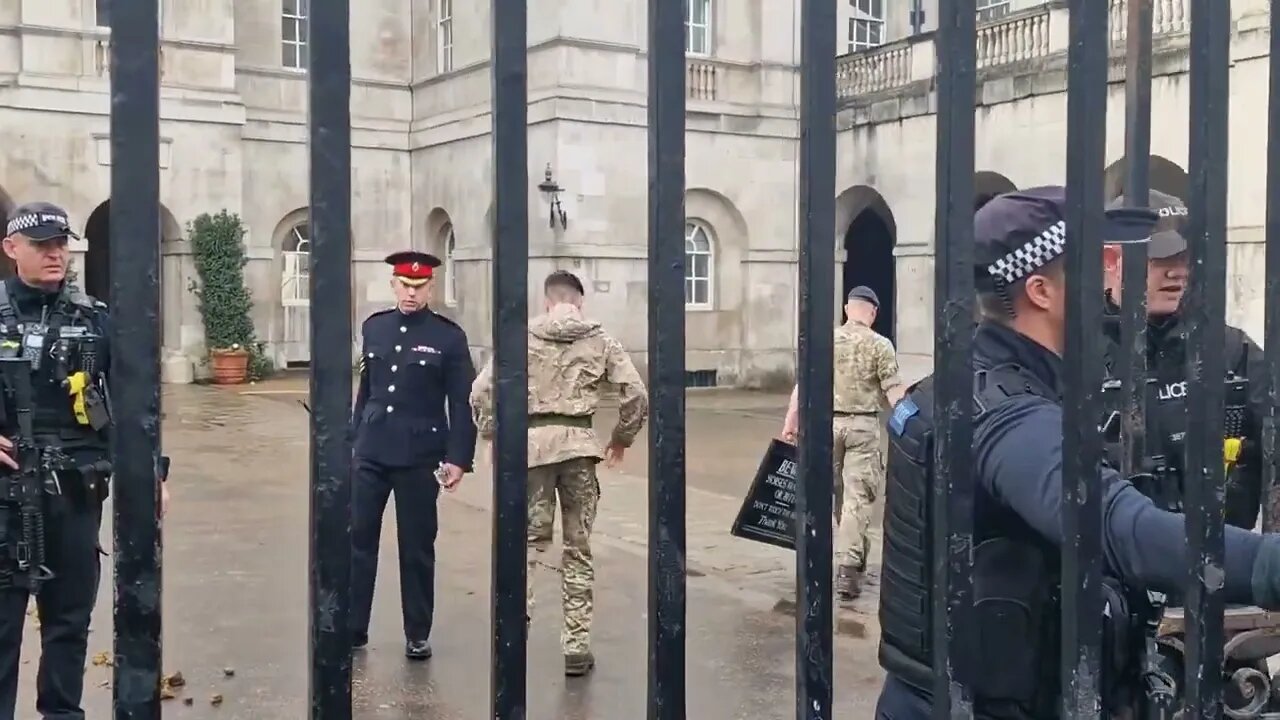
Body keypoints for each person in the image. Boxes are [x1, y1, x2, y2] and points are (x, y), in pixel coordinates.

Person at [874, 186, 1280, 719]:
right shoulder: (1009, 416)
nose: (1117, 273)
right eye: (1102, 259)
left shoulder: (965, 377)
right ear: (1041, 291)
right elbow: (1120, 530)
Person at [0, 201, 170, 719]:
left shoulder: (95, 320)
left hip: (75, 490)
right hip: (6, 497)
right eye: (42, 245)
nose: (56, 254)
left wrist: (153, 474)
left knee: (69, 623)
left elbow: (134, 401)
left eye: (61, 244)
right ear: (11, 249)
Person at [469, 270, 648, 677]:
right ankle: (576, 646)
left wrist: (491, 430)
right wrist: (621, 437)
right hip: (580, 448)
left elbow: (482, 389)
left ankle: (515, 633)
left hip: (532, 448)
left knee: (527, 548)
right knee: (578, 547)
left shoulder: (523, 336)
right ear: (579, 302)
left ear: (548, 300)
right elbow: (636, 392)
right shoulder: (599, 338)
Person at [1101, 189, 1265, 528]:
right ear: (1112, 261)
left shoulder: (1230, 348)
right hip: (1112, 571)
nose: (1178, 272)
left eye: (1184, 257)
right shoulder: (1073, 352)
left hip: (1222, 564)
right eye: (1161, 259)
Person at [349, 250, 476, 660]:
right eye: (404, 285)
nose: (410, 293)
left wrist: (458, 458)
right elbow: (367, 392)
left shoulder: (448, 337)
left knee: (417, 546)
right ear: (393, 284)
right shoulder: (375, 328)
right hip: (371, 451)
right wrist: (353, 439)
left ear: (431, 288)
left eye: (419, 287)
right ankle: (353, 627)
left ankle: (417, 632)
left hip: (420, 455)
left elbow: (462, 402)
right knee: (358, 540)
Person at [781, 285, 904, 600]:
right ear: (873, 313)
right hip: (863, 427)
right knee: (857, 498)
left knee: (833, 495)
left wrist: (792, 420)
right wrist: (911, 425)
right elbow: (894, 393)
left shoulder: (826, 341)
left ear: (848, 309)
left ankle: (830, 559)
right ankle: (849, 569)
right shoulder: (881, 345)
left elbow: (803, 384)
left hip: (825, 425)